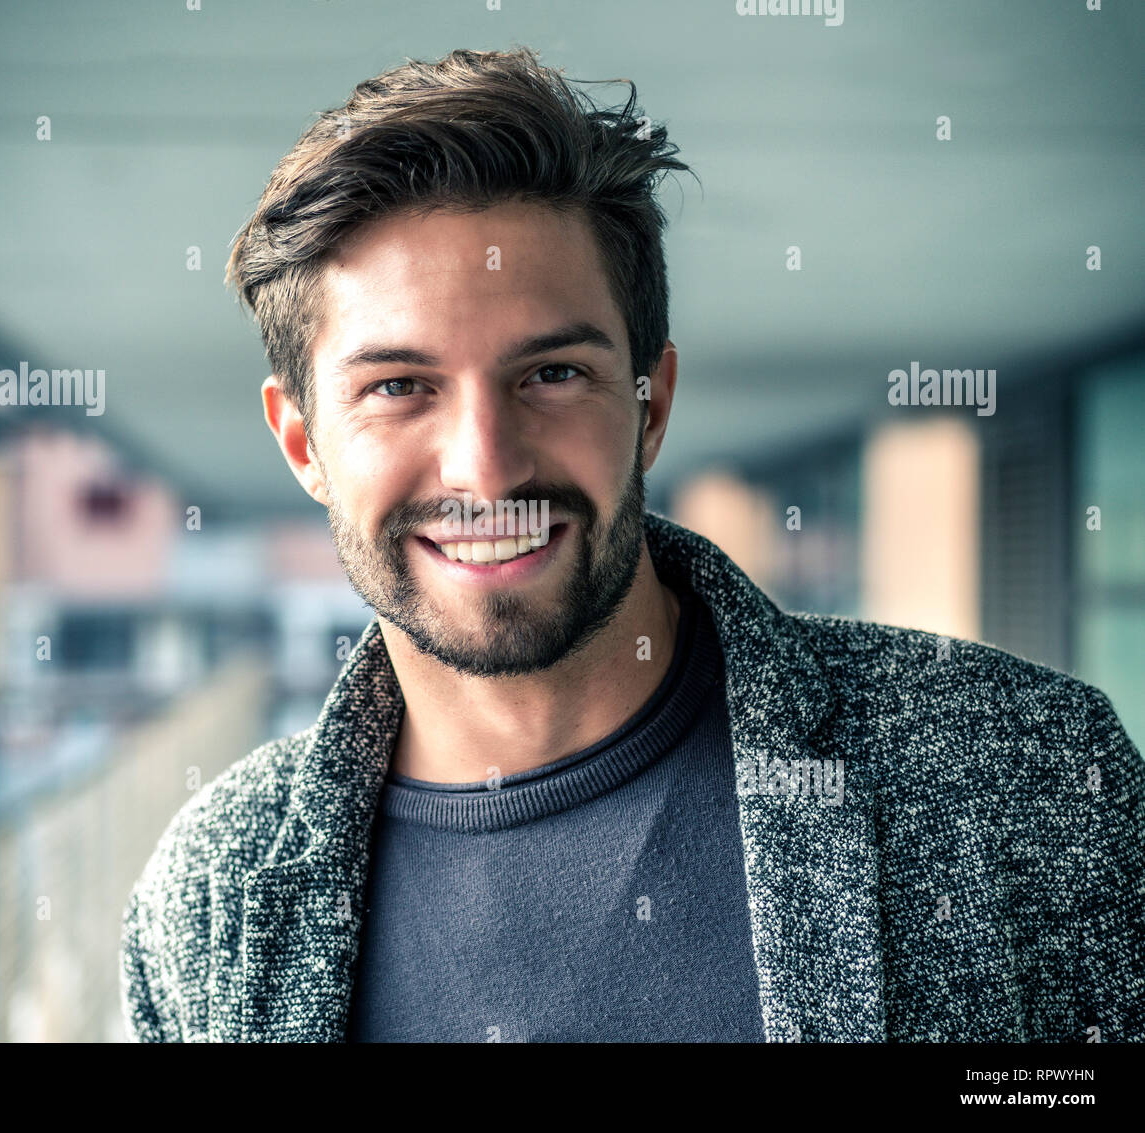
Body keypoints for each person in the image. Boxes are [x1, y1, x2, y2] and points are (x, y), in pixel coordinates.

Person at [120, 46, 1144, 1043]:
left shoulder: (1019, 768)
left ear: (649, 404)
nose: (484, 469)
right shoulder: (209, 894)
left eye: (552, 373)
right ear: (302, 442)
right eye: (398, 387)